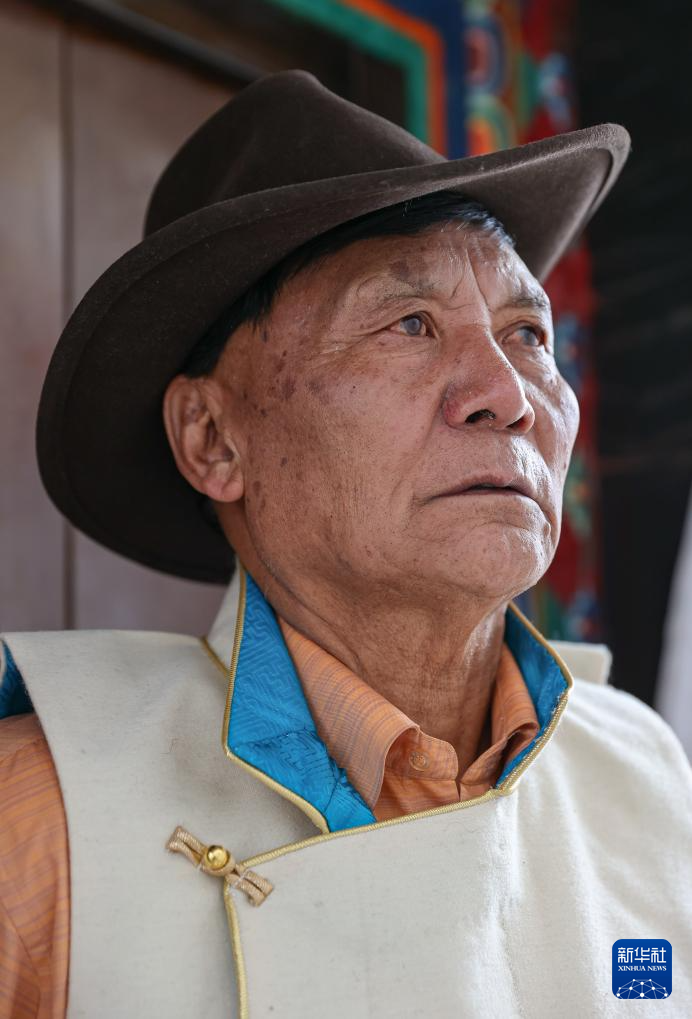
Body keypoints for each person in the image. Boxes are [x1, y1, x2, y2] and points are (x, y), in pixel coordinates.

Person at [1, 69, 690, 1019]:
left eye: (528, 333)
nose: (508, 395)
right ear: (214, 439)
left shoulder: (646, 772)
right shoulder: (45, 815)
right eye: (409, 324)